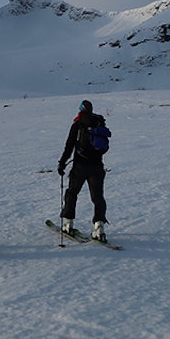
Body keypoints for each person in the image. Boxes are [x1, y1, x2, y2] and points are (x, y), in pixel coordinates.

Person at [57, 99, 110, 241]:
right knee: (98, 197)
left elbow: (69, 147)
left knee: (72, 193)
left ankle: (67, 223)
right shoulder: (99, 123)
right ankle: (99, 228)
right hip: (97, 167)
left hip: (80, 166)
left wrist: (62, 164)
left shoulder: (78, 124)